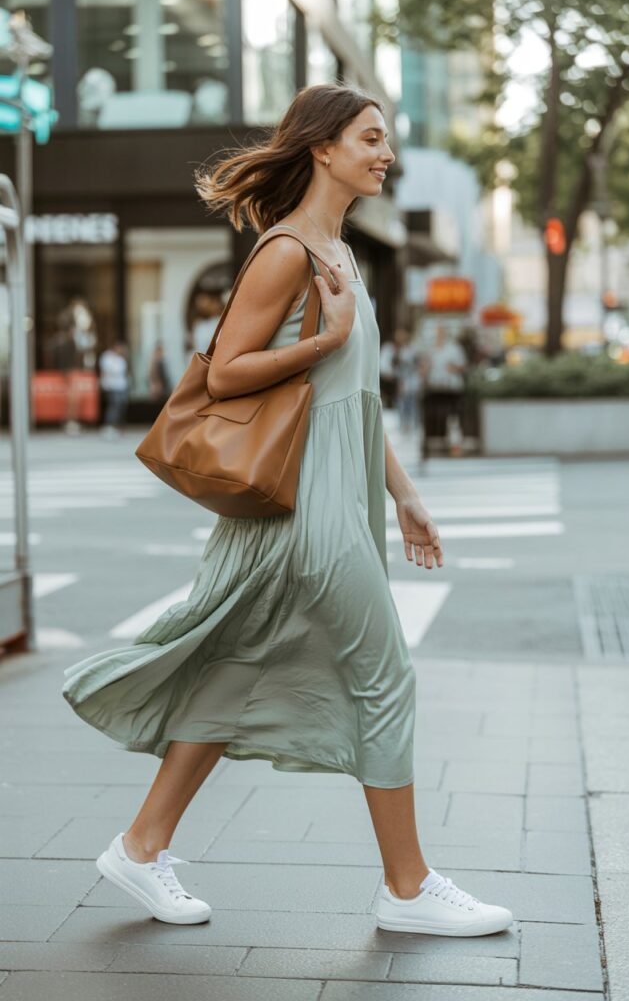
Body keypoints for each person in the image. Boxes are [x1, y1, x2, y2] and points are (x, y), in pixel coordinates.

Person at [62, 84, 512, 937]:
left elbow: (354, 401)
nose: (385, 153)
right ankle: (407, 889)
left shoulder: (342, 250)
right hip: (303, 508)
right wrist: (323, 338)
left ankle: (141, 846)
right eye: (371, 138)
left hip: (340, 493)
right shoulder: (287, 252)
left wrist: (406, 495)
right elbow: (225, 372)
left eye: (386, 139)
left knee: (234, 669)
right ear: (323, 147)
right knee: (386, 675)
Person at [420, 323, 468, 459]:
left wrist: (454, 368)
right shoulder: (430, 350)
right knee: (433, 417)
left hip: (452, 388)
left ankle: (455, 445)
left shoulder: (454, 349)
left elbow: (463, 367)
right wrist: (424, 372)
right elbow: (423, 369)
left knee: (453, 418)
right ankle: (432, 446)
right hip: (434, 388)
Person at [391, 326, 424, 434]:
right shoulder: (396, 350)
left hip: (412, 382)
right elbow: (395, 368)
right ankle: (403, 427)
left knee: (413, 405)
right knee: (402, 405)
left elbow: (419, 365)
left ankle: (413, 428)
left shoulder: (413, 349)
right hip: (402, 382)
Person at [99, 341, 129, 438]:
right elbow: (106, 371)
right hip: (112, 385)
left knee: (121, 406)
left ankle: (118, 426)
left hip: (121, 386)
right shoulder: (107, 357)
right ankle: (109, 426)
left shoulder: (121, 359)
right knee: (113, 406)